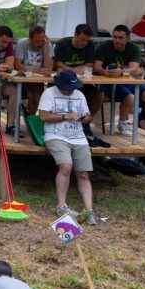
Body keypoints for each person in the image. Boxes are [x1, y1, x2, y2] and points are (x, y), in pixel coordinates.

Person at [38, 70, 97, 225]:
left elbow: (88, 116)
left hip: (78, 137)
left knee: (83, 173)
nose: (70, 91)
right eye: (67, 88)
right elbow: (43, 116)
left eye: (72, 88)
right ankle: (61, 205)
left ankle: (89, 210)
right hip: (55, 135)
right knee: (66, 166)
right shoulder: (49, 93)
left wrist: (85, 119)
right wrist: (64, 116)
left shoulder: (79, 95)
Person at [93, 24, 145, 139]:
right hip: (111, 83)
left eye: (121, 38)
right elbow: (97, 66)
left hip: (130, 82)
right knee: (130, 97)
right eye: (115, 37)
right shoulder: (104, 47)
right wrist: (105, 72)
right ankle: (122, 123)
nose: (117, 40)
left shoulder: (133, 49)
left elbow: (134, 68)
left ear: (128, 38)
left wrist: (122, 72)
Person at [53, 23, 106, 144]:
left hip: (83, 83)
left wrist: (70, 69)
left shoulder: (91, 46)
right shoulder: (62, 44)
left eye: (87, 40)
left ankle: (85, 123)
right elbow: (58, 64)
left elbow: (89, 65)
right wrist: (74, 70)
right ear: (75, 35)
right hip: (63, 83)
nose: (84, 43)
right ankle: (62, 124)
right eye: (82, 39)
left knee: (99, 95)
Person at [13, 25, 54, 115]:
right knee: (33, 95)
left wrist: (46, 49)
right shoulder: (22, 43)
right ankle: (31, 119)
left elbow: (49, 68)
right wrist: (35, 70)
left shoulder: (47, 45)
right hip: (23, 78)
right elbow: (17, 65)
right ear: (30, 38)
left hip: (38, 81)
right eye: (36, 41)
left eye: (41, 41)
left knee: (35, 95)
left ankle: (31, 119)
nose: (39, 44)